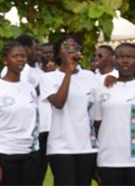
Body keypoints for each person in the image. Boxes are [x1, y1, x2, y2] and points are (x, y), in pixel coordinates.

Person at [93, 43, 135, 186]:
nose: (125, 61)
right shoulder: (101, 89)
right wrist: (94, 161)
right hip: (108, 160)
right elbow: (97, 126)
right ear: (114, 59)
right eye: (121, 57)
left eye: (130, 57)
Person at [0, 42, 42, 185]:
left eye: (23, 56)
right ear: (4, 60)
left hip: (29, 154)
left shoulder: (30, 88)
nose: (20, 59)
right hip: (3, 154)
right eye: (15, 56)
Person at [41, 35, 100, 186]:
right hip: (61, 146)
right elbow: (58, 103)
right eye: (66, 47)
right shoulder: (49, 78)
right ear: (57, 54)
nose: (71, 51)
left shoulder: (90, 76)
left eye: (75, 47)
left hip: (87, 146)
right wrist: (68, 71)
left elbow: (97, 110)